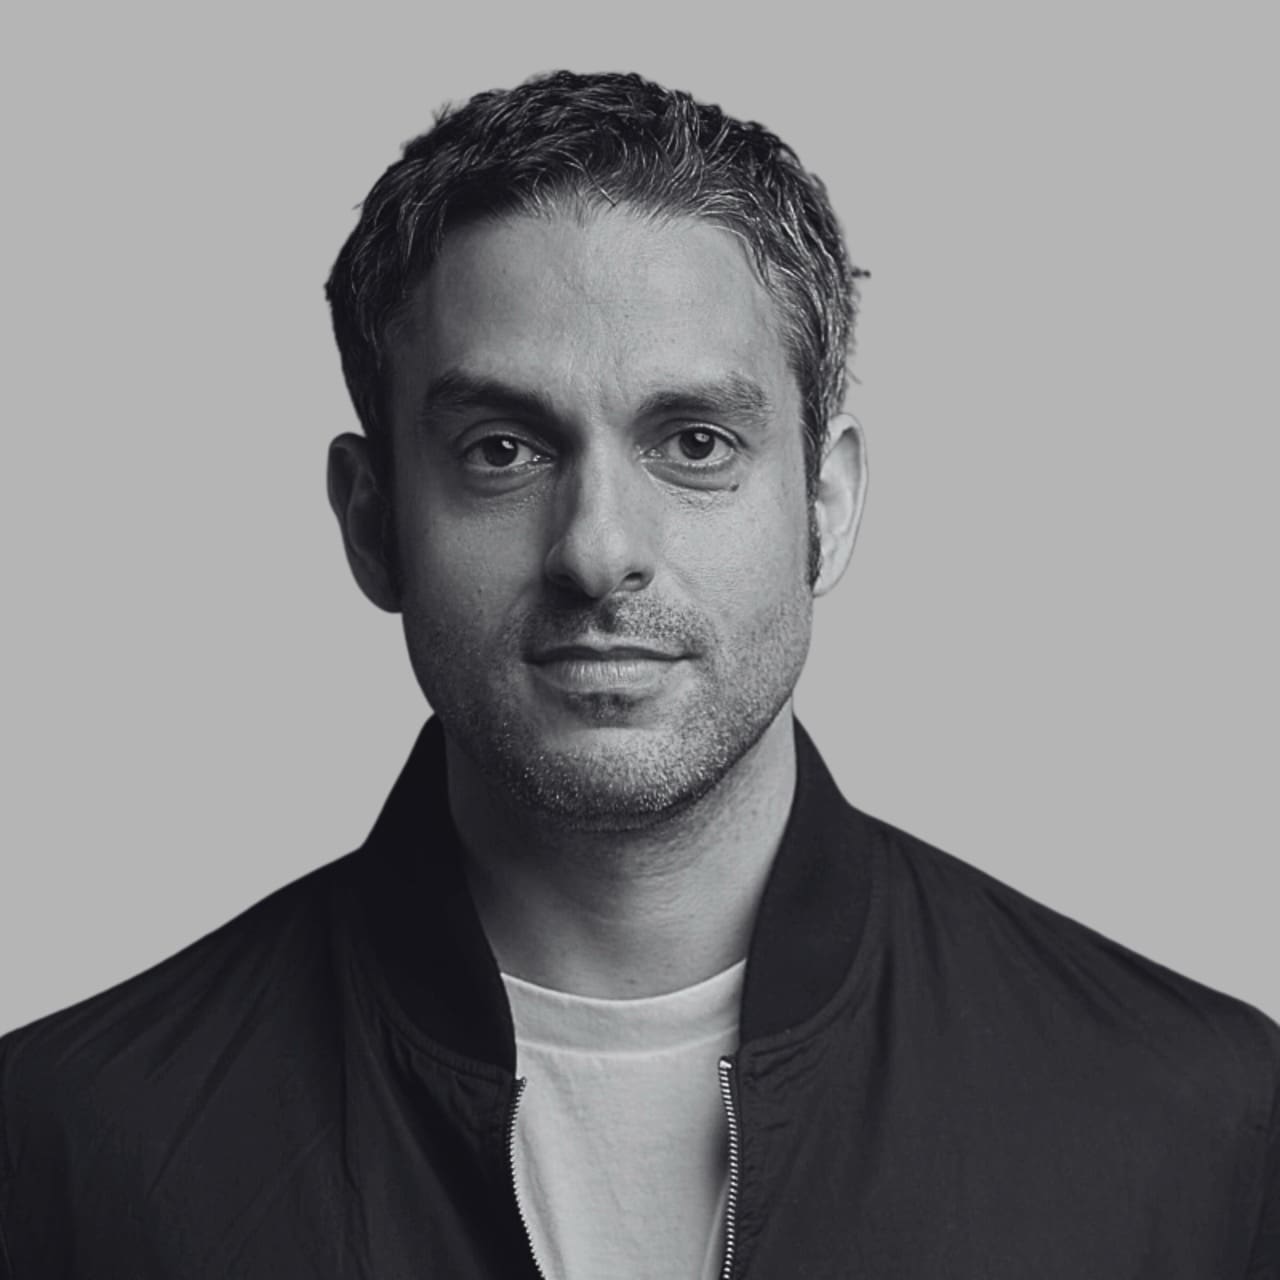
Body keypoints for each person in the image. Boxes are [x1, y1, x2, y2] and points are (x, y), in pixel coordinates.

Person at [0, 68, 1275, 1280]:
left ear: (825, 504)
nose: (598, 549)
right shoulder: (77, 1144)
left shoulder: (1190, 1122)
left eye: (695, 442)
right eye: (501, 449)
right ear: (372, 519)